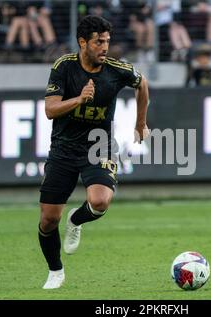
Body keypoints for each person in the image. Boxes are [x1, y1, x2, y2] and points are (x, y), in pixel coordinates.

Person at [39, 15, 150, 289]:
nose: (104, 47)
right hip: (63, 149)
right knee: (48, 219)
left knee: (100, 201)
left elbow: (143, 84)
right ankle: (55, 271)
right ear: (82, 43)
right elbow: (50, 110)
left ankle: (76, 219)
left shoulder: (117, 70)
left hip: (98, 147)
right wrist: (80, 99)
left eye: (107, 42)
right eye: (99, 42)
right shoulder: (63, 67)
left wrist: (140, 123)